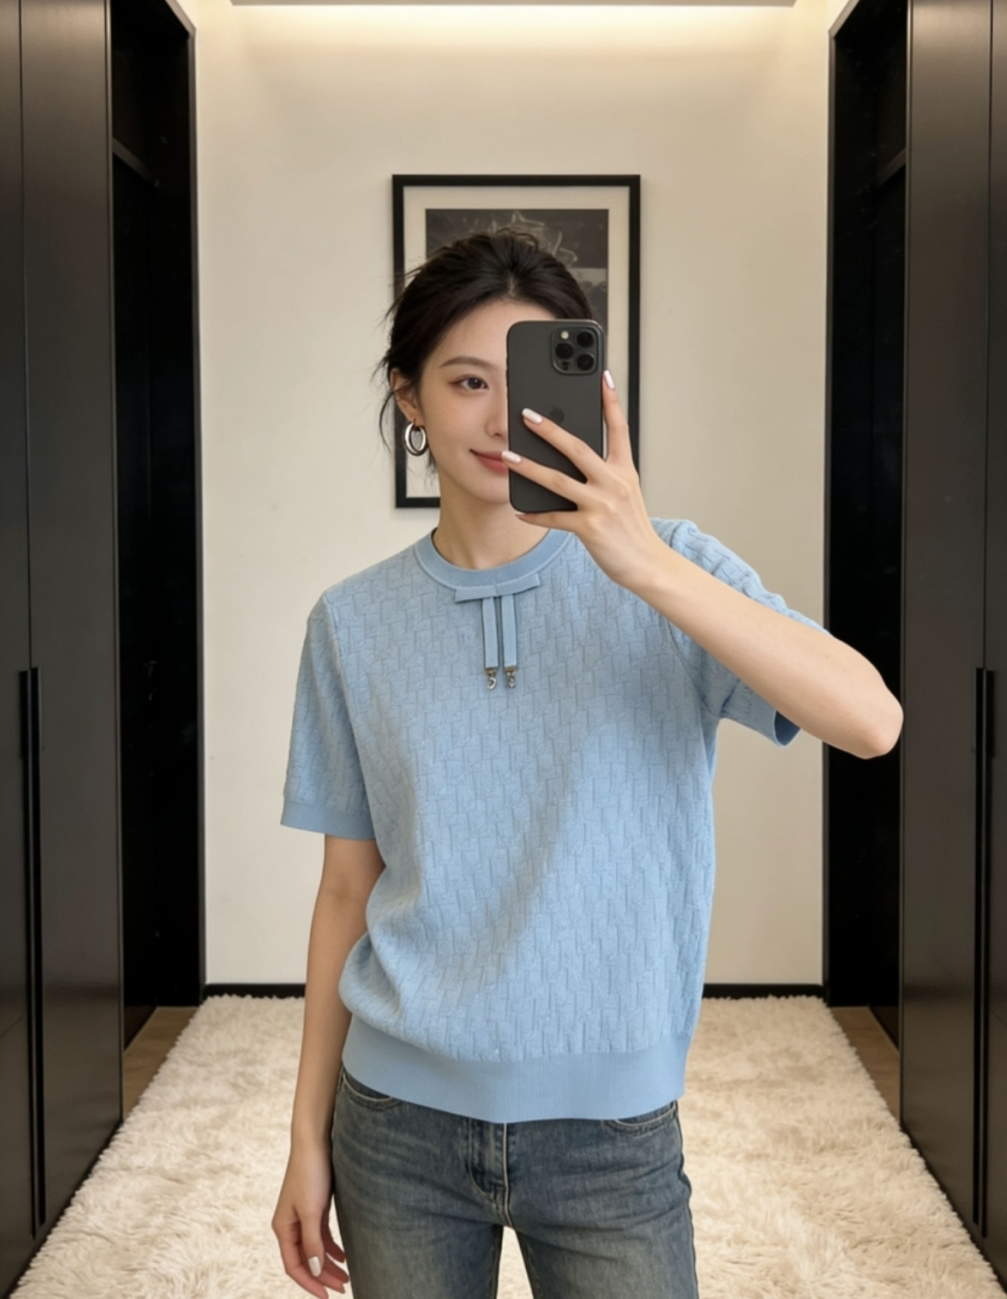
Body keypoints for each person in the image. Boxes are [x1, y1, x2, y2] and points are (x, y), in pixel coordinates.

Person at [270, 230, 903, 1299]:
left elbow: (872, 720)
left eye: (520, 380)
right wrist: (305, 1136)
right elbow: (346, 888)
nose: (497, 418)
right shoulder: (351, 622)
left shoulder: (670, 570)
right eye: (465, 381)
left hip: (613, 1135)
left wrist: (643, 561)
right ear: (409, 397)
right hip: (397, 1125)